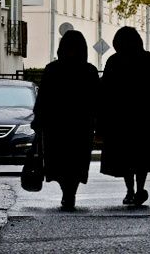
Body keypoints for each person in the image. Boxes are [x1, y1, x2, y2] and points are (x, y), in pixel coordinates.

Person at [31, 29, 99, 211]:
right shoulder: (89, 71)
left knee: (59, 160)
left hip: (56, 125)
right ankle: (70, 192)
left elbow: (43, 97)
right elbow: (96, 100)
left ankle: (67, 192)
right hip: (81, 125)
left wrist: (38, 119)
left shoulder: (52, 69)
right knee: (77, 160)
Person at [99, 26, 150, 207]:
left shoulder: (114, 61)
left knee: (125, 157)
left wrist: (106, 115)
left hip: (120, 120)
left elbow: (105, 91)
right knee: (142, 157)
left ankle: (130, 190)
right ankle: (139, 188)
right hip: (145, 119)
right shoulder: (147, 59)